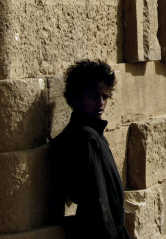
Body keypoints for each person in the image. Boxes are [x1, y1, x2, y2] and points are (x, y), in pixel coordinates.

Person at [51, 60, 131, 239]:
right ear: (75, 98)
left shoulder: (94, 135)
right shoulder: (86, 137)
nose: (101, 103)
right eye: (94, 96)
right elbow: (97, 202)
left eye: (105, 97)